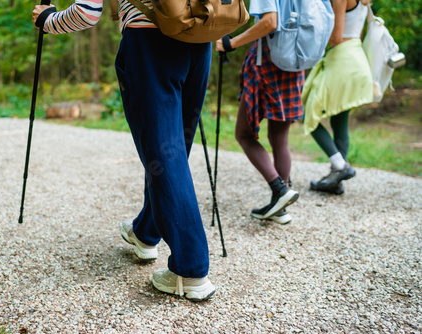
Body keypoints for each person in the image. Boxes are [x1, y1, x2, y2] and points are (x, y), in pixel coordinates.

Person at [34, 0, 216, 301]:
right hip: (200, 35)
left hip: (150, 40)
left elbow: (87, 12)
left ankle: (190, 269)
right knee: (173, 153)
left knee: (164, 155)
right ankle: (145, 232)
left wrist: (48, 19)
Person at [216, 0, 301, 225]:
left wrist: (230, 43)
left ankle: (279, 190)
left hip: (267, 65)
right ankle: (280, 207)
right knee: (279, 138)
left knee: (244, 134)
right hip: (294, 62)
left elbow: (270, 22)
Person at [302, 0, 373, 195]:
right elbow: (357, 34)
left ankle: (340, 165)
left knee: (307, 112)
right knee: (340, 120)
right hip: (357, 58)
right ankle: (336, 179)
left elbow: (335, 38)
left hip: (342, 60)